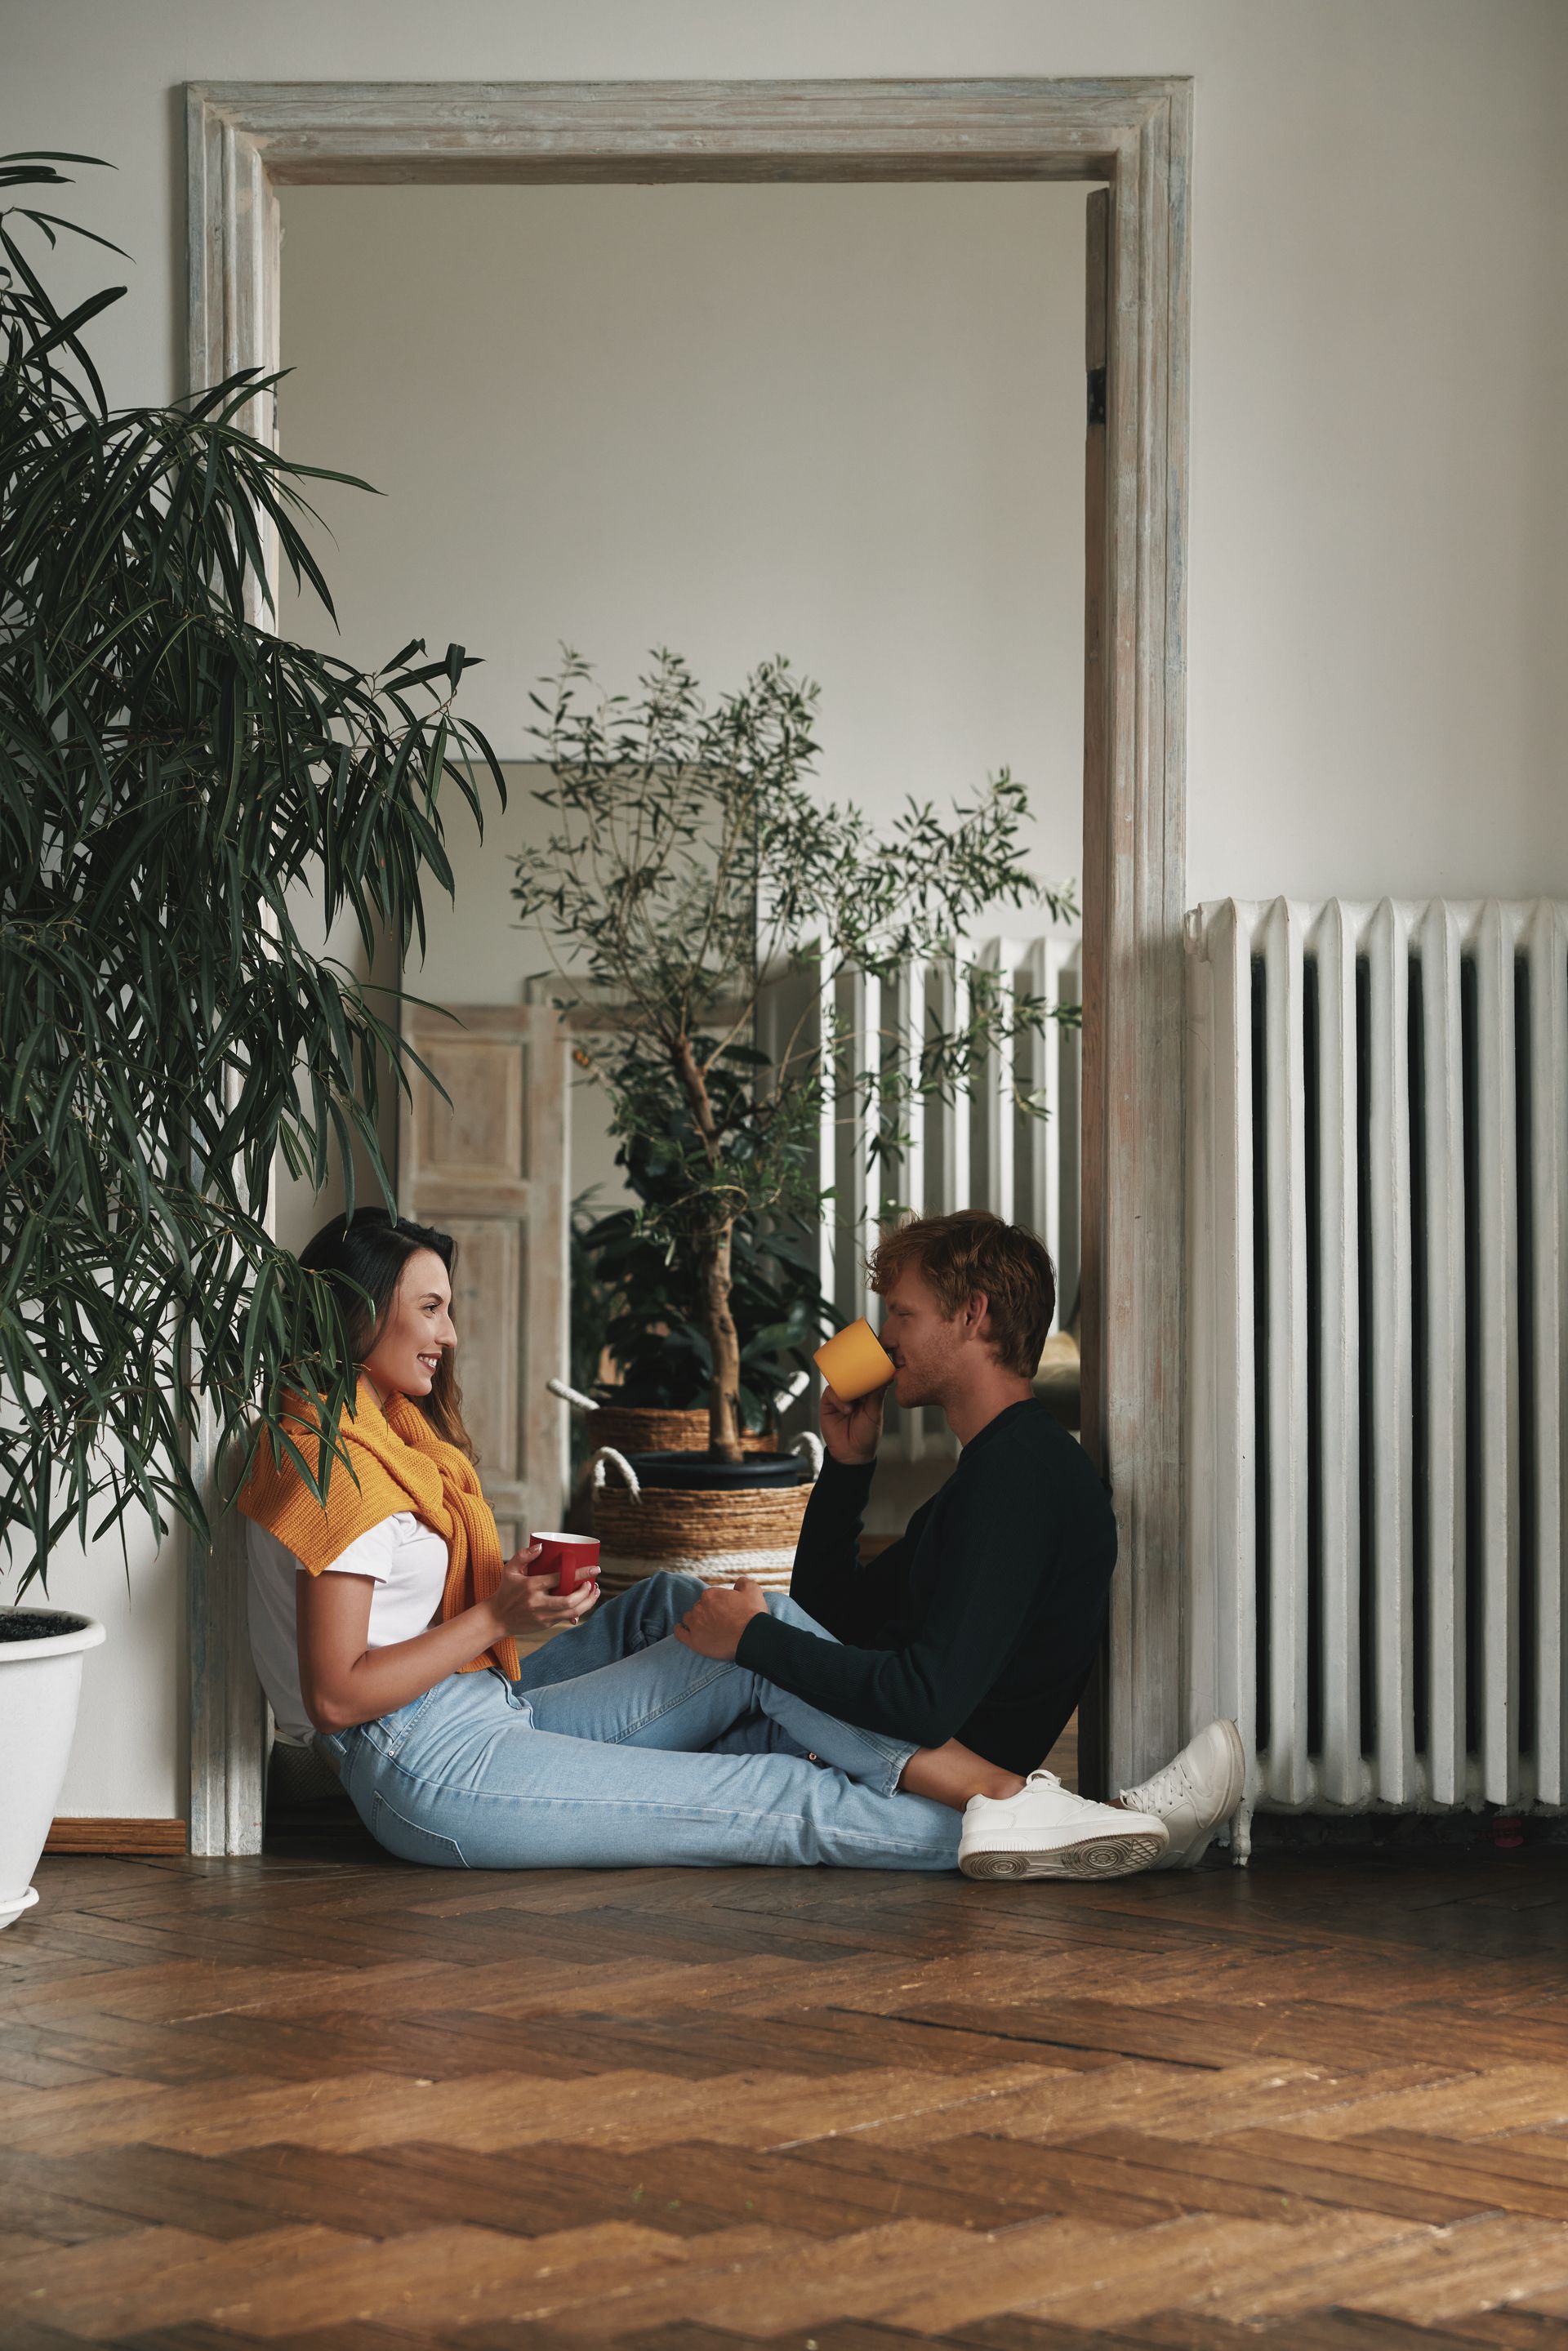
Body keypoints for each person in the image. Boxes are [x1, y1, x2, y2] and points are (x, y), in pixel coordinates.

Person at [240, 1211, 1172, 1877]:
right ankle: (1039, 1818)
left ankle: (1034, 1809)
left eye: (902, 1315)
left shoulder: (381, 1439)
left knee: (719, 1622)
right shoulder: (337, 1462)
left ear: (969, 1318)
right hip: (428, 1760)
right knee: (776, 1783)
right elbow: (333, 1694)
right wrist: (496, 1610)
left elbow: (845, 1637)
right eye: (432, 1307)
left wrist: (834, 1490)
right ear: (362, 1312)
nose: (451, 1331)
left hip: (469, 1715)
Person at [670, 1211, 1245, 1877]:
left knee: (677, 1617)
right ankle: (1121, 1816)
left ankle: (522, 1717)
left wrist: (754, 1639)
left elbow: (923, 1700)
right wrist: (848, 1466)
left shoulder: (1022, 1475)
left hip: (909, 1791)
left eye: (902, 1314)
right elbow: (829, 1621)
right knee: (672, 1607)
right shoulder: (990, 1470)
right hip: (874, 1759)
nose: (884, 1338)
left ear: (974, 1315)